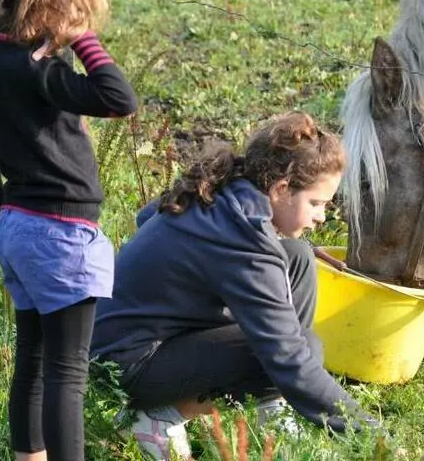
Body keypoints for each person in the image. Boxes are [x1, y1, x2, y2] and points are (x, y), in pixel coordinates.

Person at [91, 112, 380, 460]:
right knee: (302, 348)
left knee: (298, 256)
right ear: (281, 189)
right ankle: (157, 415)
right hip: (126, 365)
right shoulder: (244, 241)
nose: (321, 216)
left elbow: (146, 218)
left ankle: (270, 404)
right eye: (316, 203)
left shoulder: (225, 187)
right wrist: (374, 436)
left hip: (125, 336)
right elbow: (289, 357)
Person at [0, 0, 137, 461]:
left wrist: (0, 216)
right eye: (77, 5)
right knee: (67, 371)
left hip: (17, 226)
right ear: (53, 0)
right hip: (63, 233)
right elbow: (118, 99)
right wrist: (84, 40)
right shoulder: (38, 70)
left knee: (32, 359)